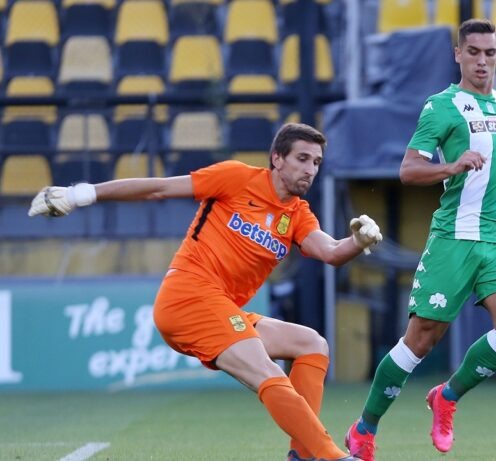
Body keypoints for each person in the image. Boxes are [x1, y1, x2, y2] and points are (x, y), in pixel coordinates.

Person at [28, 123, 379, 461]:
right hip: (187, 296)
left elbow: (331, 252)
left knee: (312, 344)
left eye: (316, 162)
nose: (310, 169)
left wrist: (358, 241)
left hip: (221, 308)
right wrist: (80, 194)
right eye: (302, 158)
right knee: (266, 370)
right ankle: (331, 456)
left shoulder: (298, 214)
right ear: (277, 158)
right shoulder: (237, 178)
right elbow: (159, 188)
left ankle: (303, 455)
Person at [344, 19, 496, 461]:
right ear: (458, 54)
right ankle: (364, 429)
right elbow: (408, 170)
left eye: (490, 53)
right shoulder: (441, 106)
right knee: (421, 340)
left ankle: (447, 396)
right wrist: (451, 166)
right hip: (454, 238)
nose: (482, 61)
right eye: (474, 52)